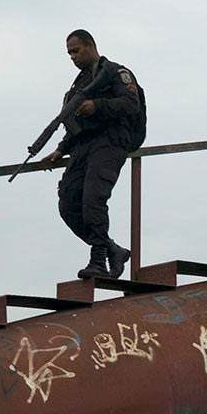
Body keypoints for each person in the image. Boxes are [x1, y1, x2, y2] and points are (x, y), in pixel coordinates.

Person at [40, 30, 143, 280]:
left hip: (110, 142)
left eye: (76, 51)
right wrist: (61, 149)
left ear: (90, 45)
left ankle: (99, 261)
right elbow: (74, 124)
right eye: (69, 53)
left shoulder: (115, 72)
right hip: (82, 147)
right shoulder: (79, 84)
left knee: (93, 200)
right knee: (68, 203)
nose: (72, 57)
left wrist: (97, 106)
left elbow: (131, 103)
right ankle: (111, 249)